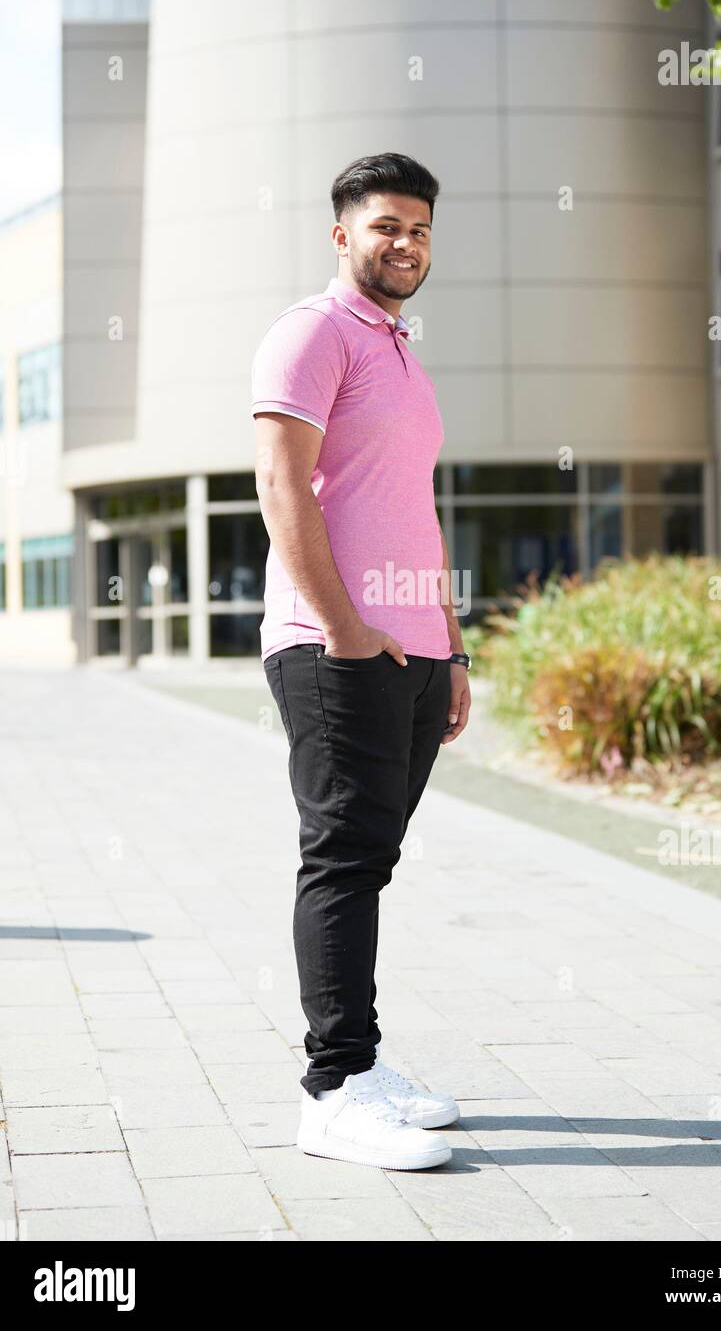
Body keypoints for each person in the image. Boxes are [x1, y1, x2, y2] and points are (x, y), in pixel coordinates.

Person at [252, 153, 472, 1170]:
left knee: (371, 859)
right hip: (334, 644)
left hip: (413, 650)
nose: (405, 245)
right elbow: (282, 487)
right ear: (342, 233)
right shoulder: (310, 332)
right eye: (386, 226)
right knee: (340, 856)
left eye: (419, 229)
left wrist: (451, 646)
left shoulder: (400, 351)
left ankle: (362, 1061)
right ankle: (332, 1089)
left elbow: (412, 510)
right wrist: (343, 625)